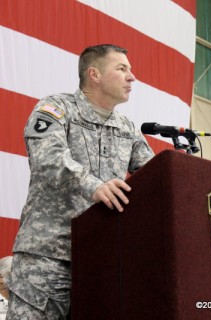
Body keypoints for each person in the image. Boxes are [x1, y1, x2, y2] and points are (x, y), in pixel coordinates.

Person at [5, 44, 154, 319]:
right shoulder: (56, 108)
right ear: (94, 74)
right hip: (48, 257)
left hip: (101, 262)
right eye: (122, 69)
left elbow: (154, 178)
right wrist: (93, 185)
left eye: (130, 70)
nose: (132, 77)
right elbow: (47, 157)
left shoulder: (128, 128)